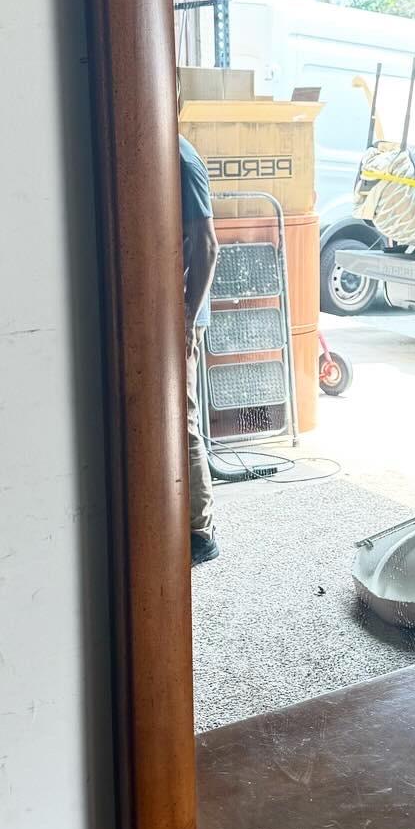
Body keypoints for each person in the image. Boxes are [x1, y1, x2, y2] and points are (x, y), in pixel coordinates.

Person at [180, 132, 221, 565]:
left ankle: (200, 530)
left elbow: (209, 246)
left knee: (183, 418)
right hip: (170, 310)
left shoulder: (183, 160)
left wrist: (189, 320)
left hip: (185, 313)